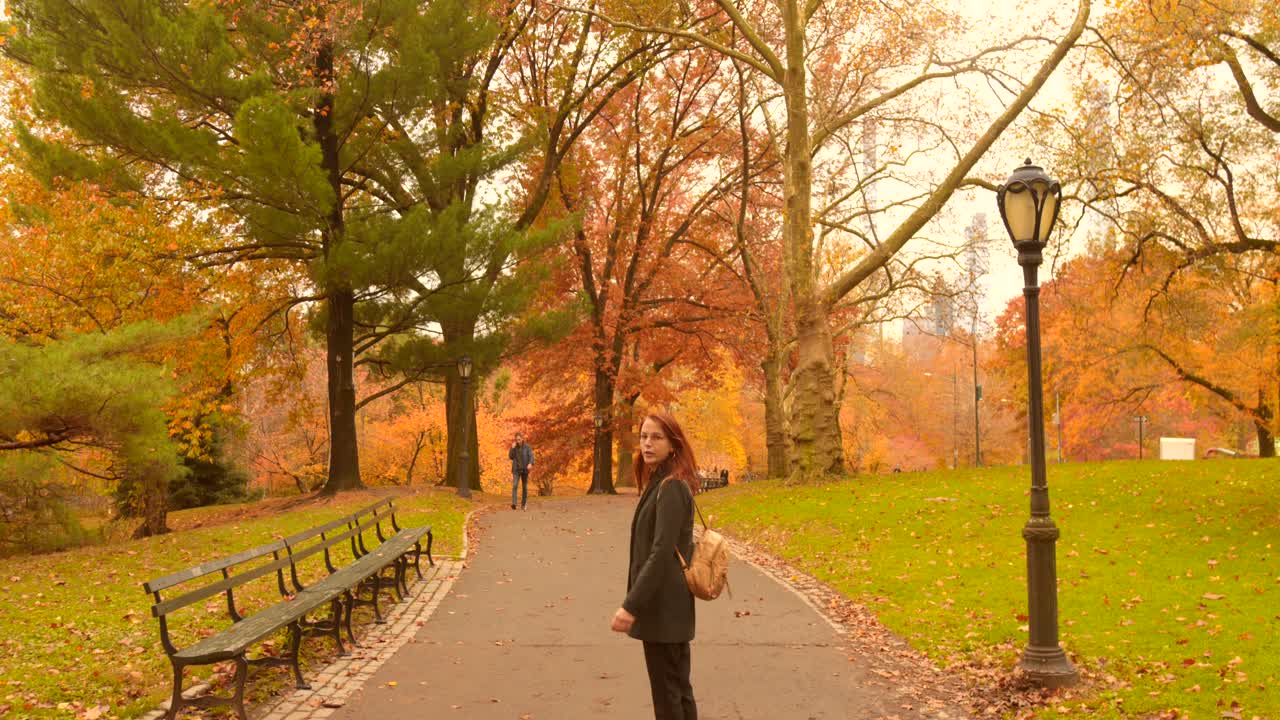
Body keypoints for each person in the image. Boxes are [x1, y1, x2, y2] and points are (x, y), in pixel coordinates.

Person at [611, 413, 699, 720]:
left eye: (656, 437)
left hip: (666, 607)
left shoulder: (672, 487)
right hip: (664, 608)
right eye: (644, 436)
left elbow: (661, 553)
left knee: (669, 697)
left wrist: (630, 606)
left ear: (673, 444)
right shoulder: (660, 482)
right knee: (675, 690)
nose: (647, 443)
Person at [508, 433, 534, 510]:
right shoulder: (514, 447)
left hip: (525, 469)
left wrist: (530, 463)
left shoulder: (527, 447)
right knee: (515, 485)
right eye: (516, 440)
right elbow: (511, 457)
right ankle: (514, 503)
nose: (518, 441)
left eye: (519, 439)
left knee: (524, 487)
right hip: (516, 469)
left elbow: (531, 456)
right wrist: (512, 448)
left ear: (522, 439)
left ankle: (523, 504)